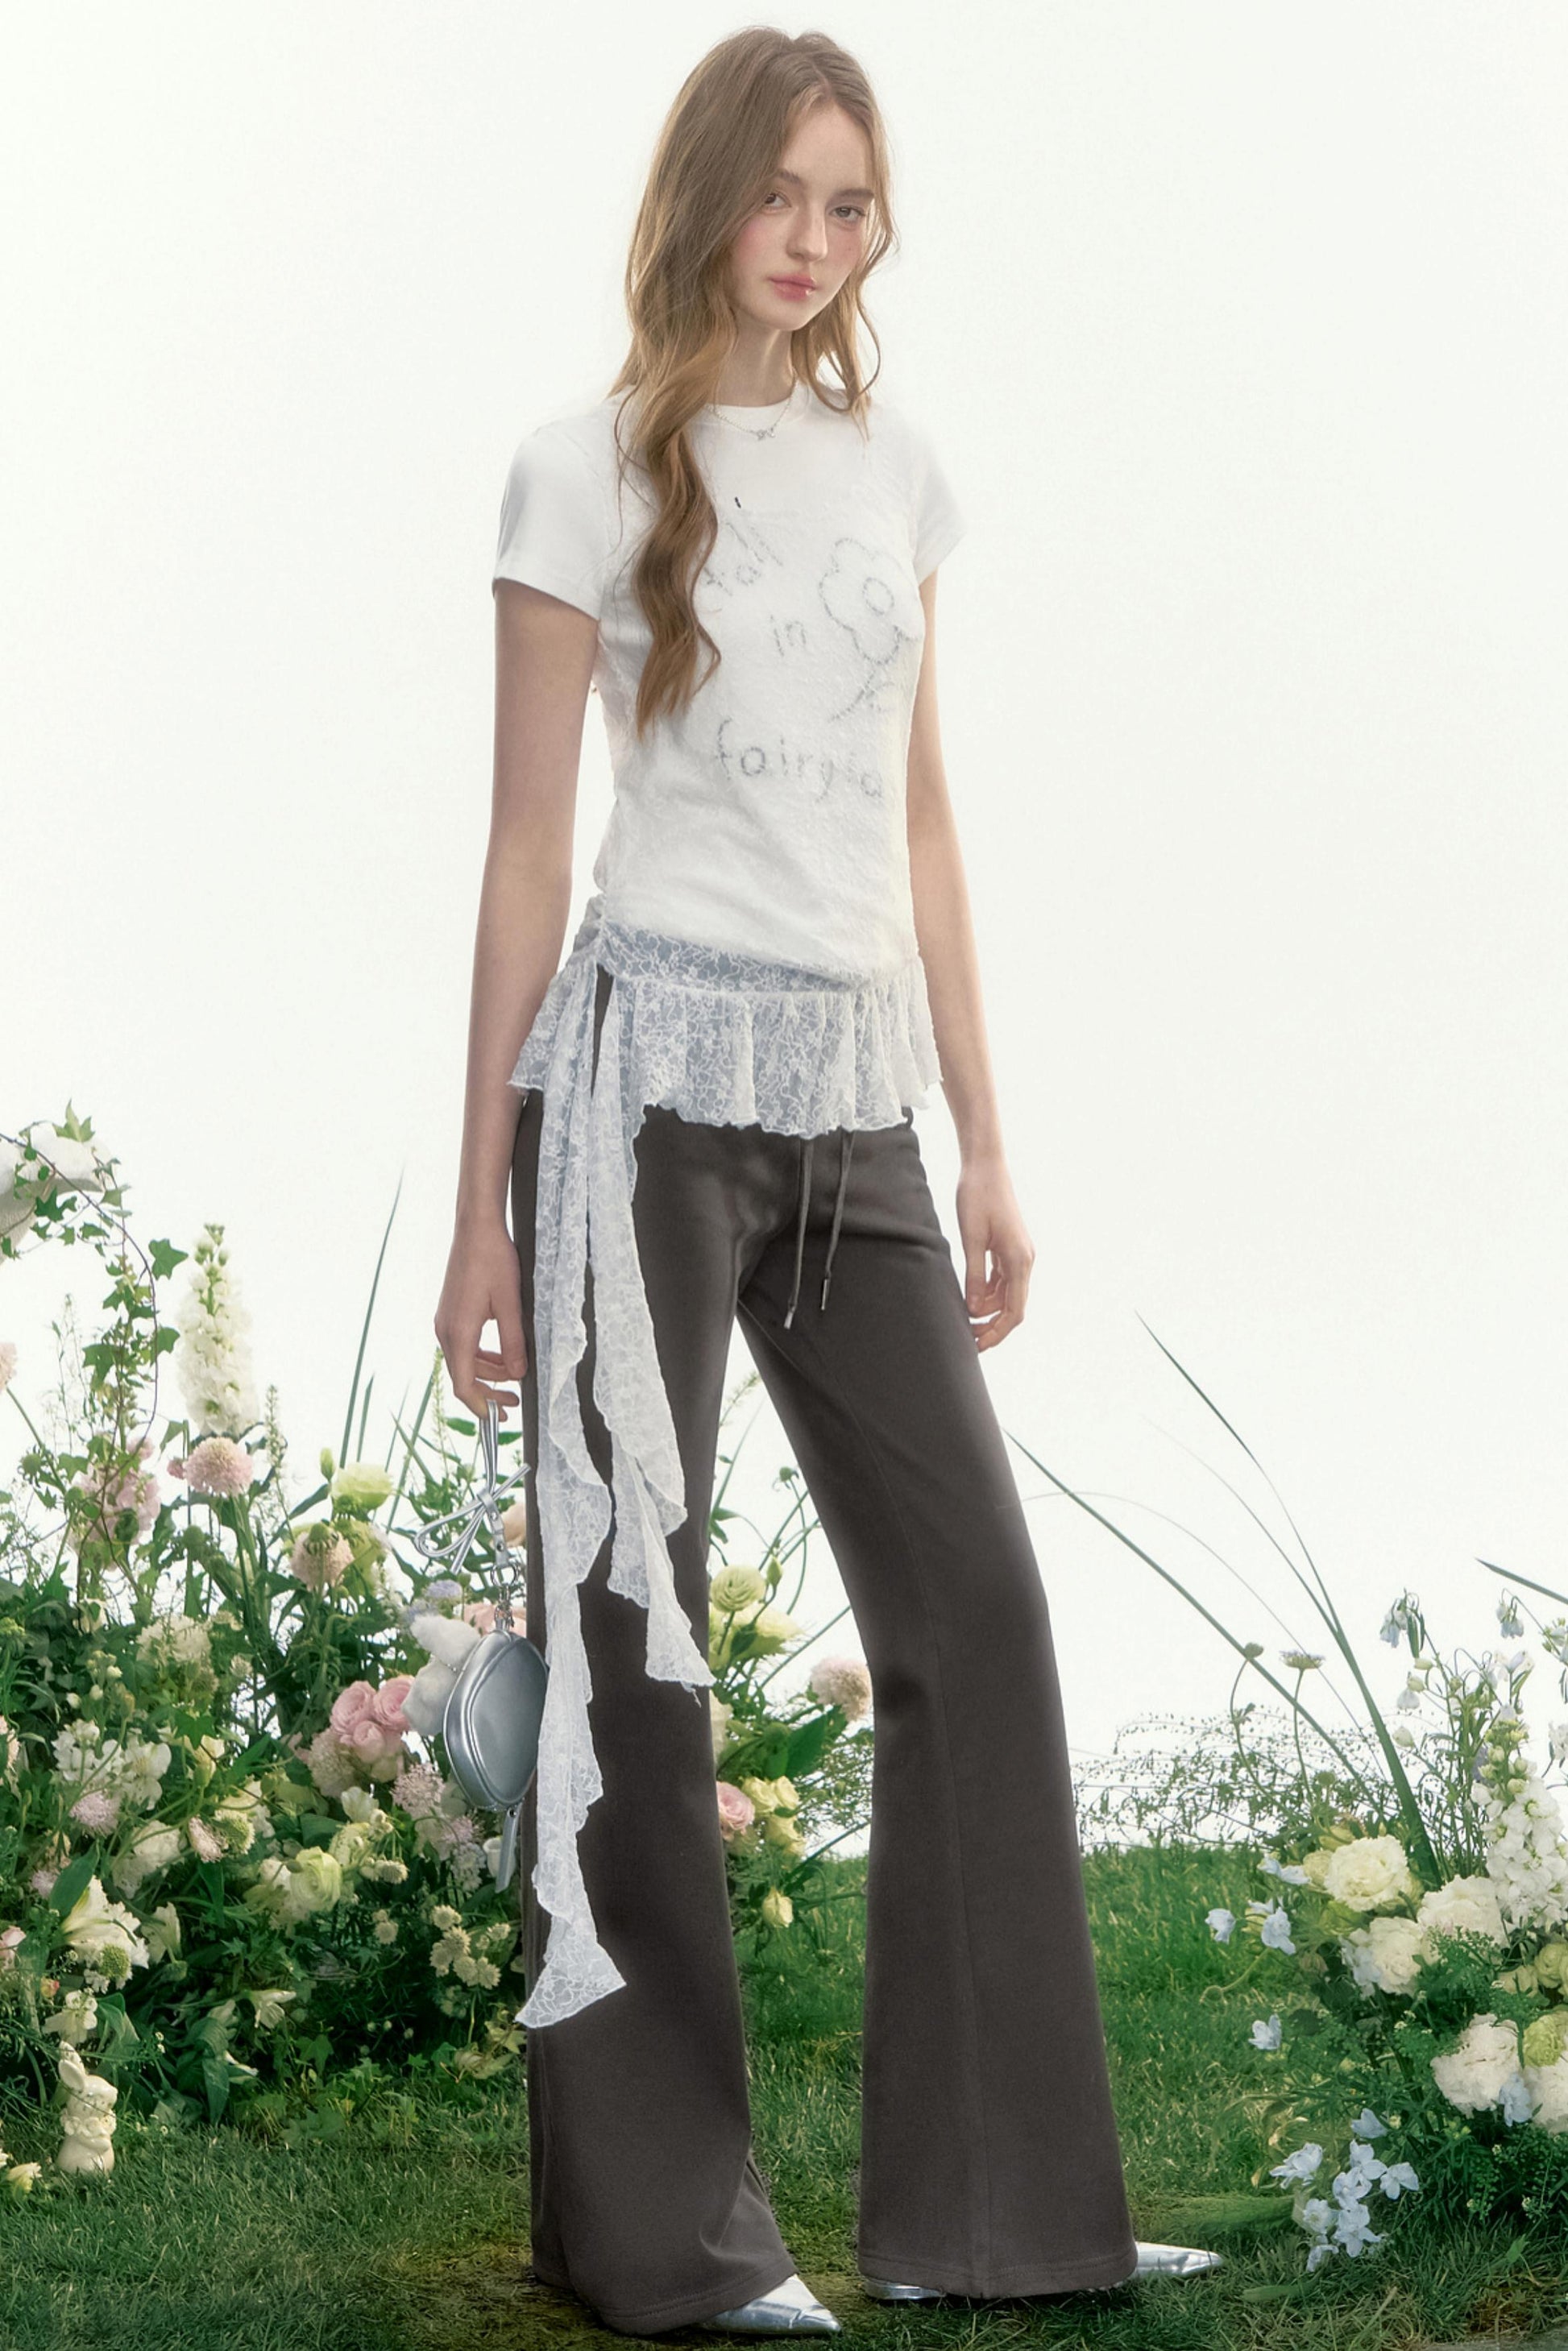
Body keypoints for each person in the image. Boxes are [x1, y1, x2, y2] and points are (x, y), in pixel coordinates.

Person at [434, 26, 1217, 2341]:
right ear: (703, 197)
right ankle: (666, 2242)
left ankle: (1002, 2218)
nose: (811, 238)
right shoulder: (582, 468)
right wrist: (479, 1202)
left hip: (853, 1101)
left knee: (973, 1613)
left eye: (850, 202)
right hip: (638, 1102)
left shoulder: (897, 468)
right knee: (633, 1650)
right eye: (779, 192)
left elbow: (922, 818)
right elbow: (522, 852)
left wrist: (986, 1136)